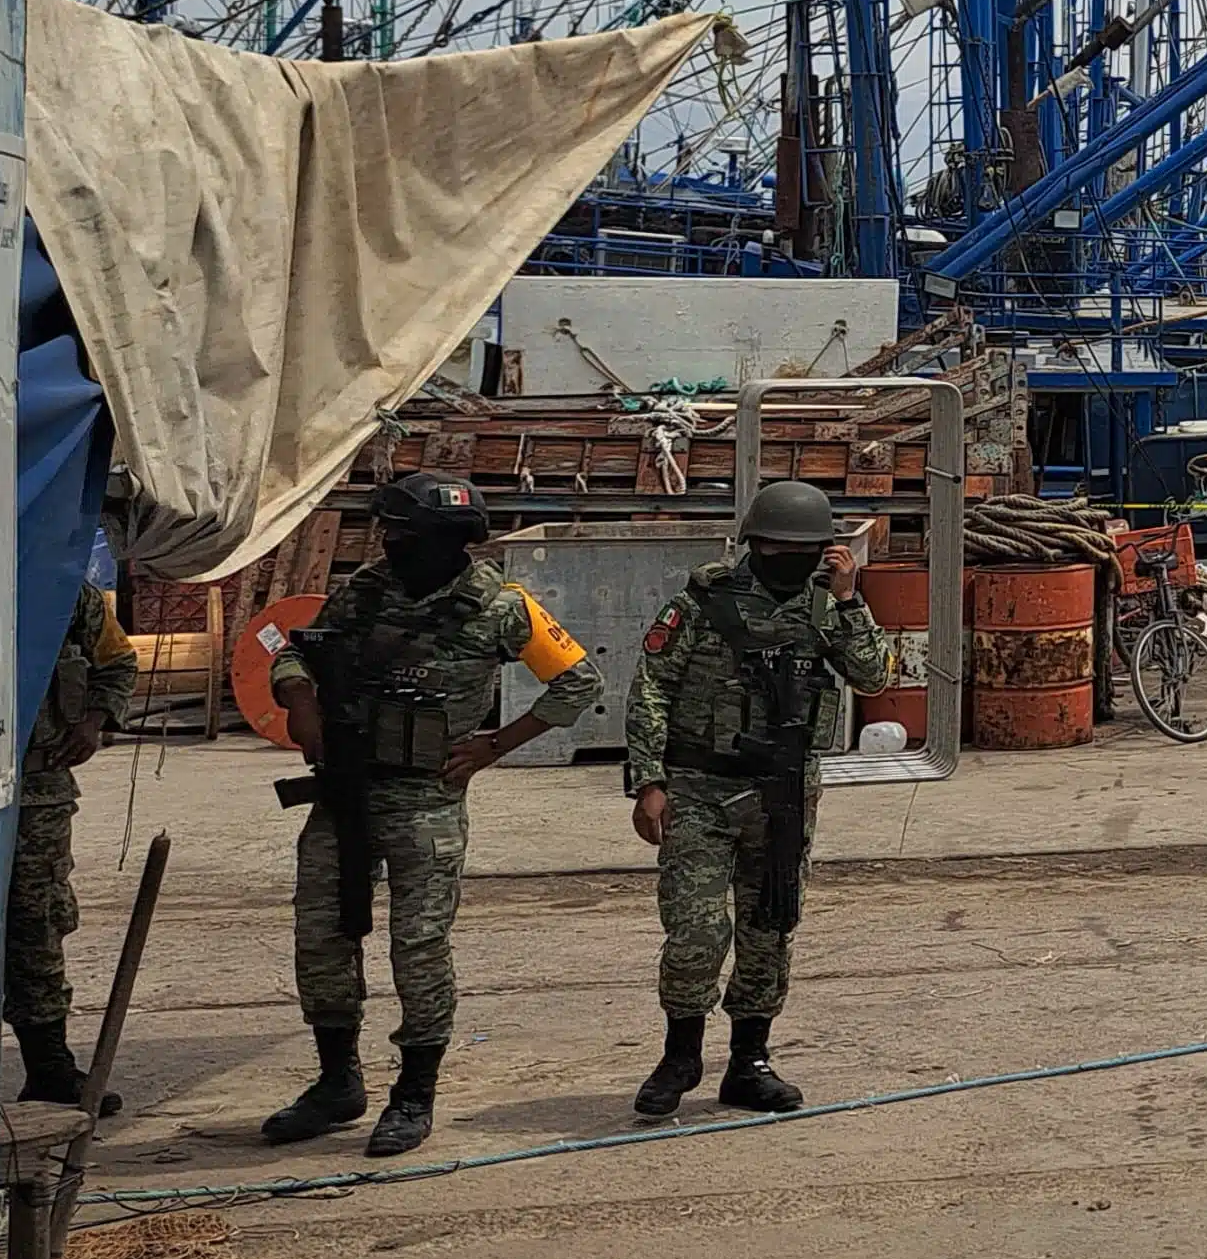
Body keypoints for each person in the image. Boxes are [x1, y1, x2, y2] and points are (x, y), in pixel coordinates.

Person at [263, 473, 605, 1157]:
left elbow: (578, 681)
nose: (393, 544)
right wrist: (297, 696)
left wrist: (495, 746)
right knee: (322, 936)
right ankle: (338, 1082)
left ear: (450, 542)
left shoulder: (500, 607)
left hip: (426, 798)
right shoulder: (366, 589)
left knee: (417, 949)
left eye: (406, 535)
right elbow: (296, 646)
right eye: (391, 533)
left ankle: (414, 1092)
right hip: (344, 792)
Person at [624, 479, 892, 1118]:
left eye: (802, 548)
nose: (787, 556)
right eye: (775, 545)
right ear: (753, 542)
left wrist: (851, 601)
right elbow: (653, 686)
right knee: (695, 929)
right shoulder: (705, 597)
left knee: (770, 927)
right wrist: (648, 781)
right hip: (699, 787)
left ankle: (749, 1061)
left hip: (783, 796)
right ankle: (680, 1054)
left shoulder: (828, 607)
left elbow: (875, 674)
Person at [4, 566, 138, 1108]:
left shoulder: (67, 592)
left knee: (36, 923)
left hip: (38, 791)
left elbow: (118, 662)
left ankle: (49, 1068)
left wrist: (94, 721)